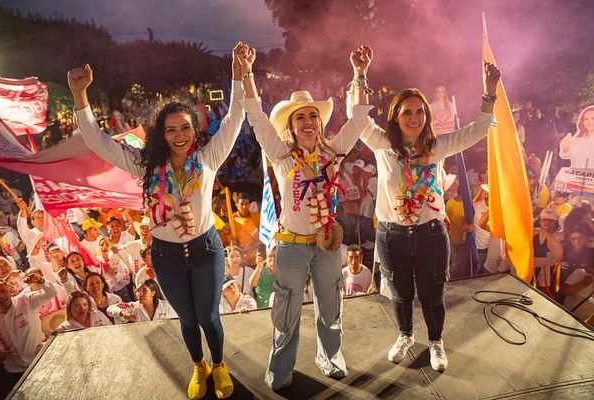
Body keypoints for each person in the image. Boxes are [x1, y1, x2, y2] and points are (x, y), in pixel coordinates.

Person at [68, 42, 247, 399]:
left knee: (209, 316)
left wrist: (238, 75)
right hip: (165, 255)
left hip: (206, 249)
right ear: (160, 135)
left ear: (194, 130)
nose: (179, 136)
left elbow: (235, 119)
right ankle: (199, 366)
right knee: (187, 318)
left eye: (185, 128)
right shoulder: (145, 166)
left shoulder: (208, 158)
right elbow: (98, 141)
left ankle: (219, 365)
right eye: (170, 130)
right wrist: (79, 95)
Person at [240, 44, 373, 389]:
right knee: (286, 314)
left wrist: (359, 74)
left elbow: (359, 118)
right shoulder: (282, 156)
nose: (309, 122)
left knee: (331, 307)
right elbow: (255, 116)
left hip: (328, 245)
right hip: (291, 248)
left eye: (313, 116)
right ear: (291, 124)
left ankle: (330, 357)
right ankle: (281, 370)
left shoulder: (334, 153)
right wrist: (248, 71)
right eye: (301, 117)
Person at [357, 61, 501, 372]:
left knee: (433, 295)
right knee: (400, 293)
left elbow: (478, 129)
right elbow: (357, 119)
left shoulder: (439, 146)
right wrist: (360, 75)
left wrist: (488, 93)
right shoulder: (383, 144)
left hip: (431, 235)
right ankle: (405, 335)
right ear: (396, 116)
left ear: (427, 116)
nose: (414, 117)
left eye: (419, 111)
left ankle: (436, 341)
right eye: (407, 112)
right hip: (392, 234)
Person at [0, 273, 57, 395]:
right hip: (14, 371)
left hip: (41, 361)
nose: (1, 296)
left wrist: (40, 280)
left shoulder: (26, 300)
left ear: (9, 290)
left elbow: (51, 293)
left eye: (3, 291)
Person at [107, 279, 178, 322]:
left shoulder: (167, 306)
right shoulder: (134, 307)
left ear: (153, 293)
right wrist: (126, 314)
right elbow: (111, 309)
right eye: (138, 291)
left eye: (144, 290)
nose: (140, 294)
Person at [534, 208, 563, 297]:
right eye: (545, 219)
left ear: (555, 222)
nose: (548, 222)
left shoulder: (560, 236)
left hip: (548, 269)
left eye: (551, 220)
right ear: (540, 221)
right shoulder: (531, 233)